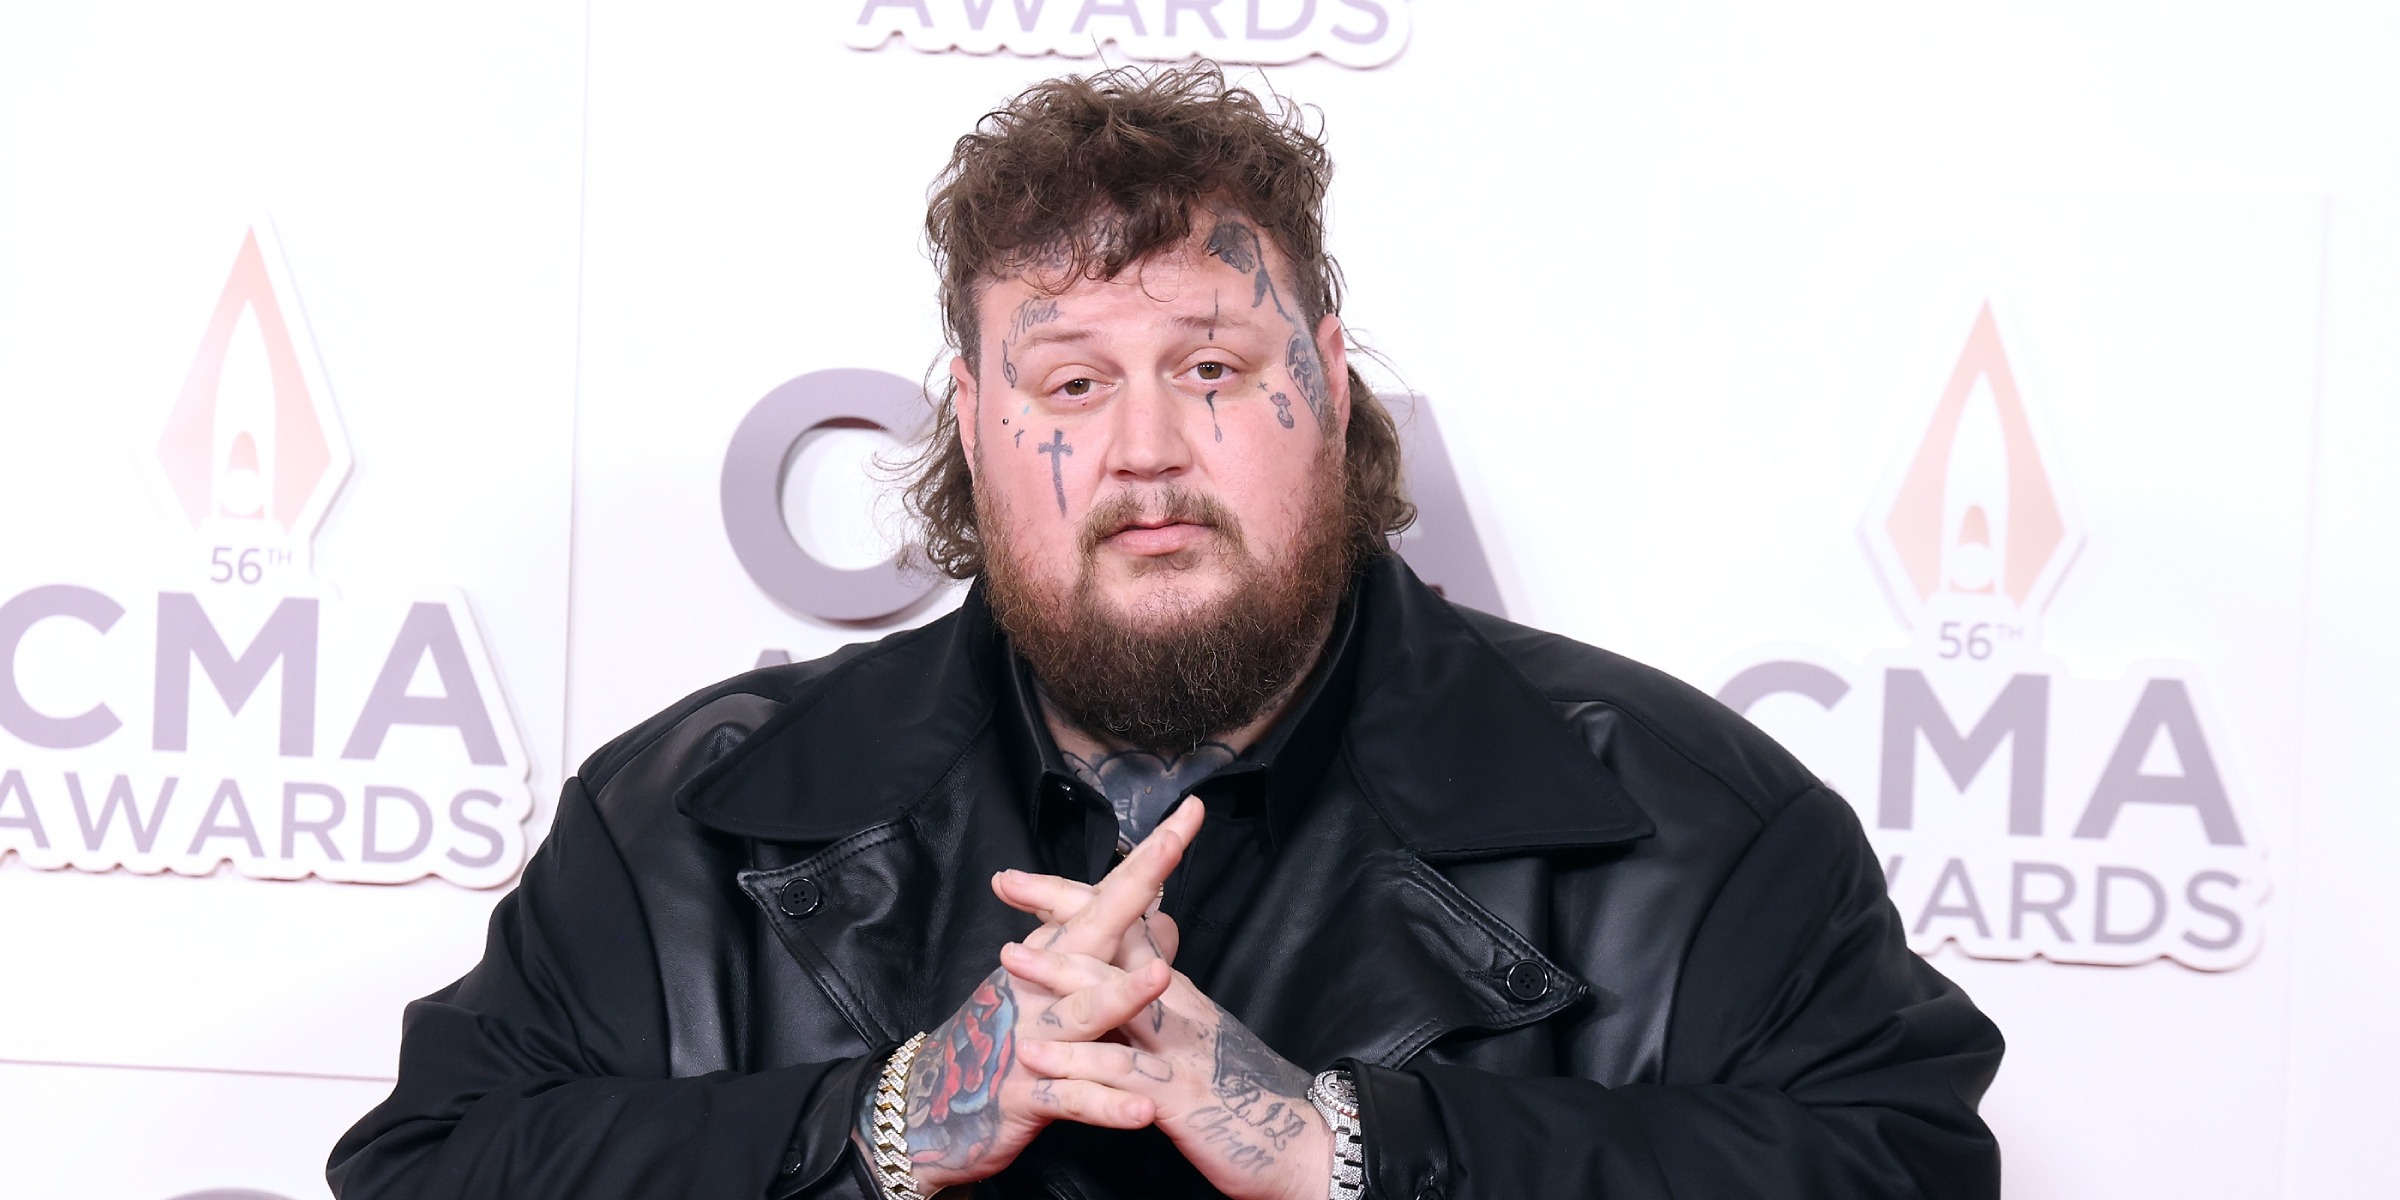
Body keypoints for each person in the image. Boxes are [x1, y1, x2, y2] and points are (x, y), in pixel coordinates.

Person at [330, 63, 2002, 1200]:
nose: (1145, 451)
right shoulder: (688, 822)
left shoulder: (1694, 829)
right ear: (973, 425)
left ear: (1326, 386)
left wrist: (1360, 1149)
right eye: (1069, 383)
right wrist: (878, 1128)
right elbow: (426, 1168)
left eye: (1211, 368)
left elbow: (1906, 1165)